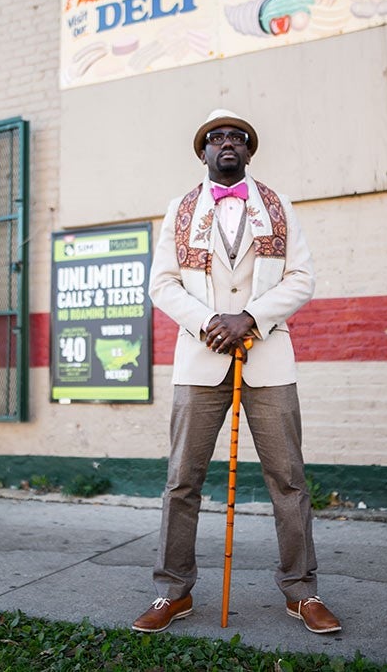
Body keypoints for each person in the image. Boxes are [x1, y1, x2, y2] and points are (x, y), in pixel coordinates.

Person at [133, 109, 341, 635]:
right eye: (216, 138)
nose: (227, 144)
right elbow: (161, 285)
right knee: (183, 479)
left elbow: (301, 278)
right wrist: (211, 322)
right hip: (199, 361)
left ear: (248, 151)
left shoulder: (278, 206)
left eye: (237, 138)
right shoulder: (179, 210)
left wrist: (249, 318)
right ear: (203, 152)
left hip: (268, 358)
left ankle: (302, 592)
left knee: (288, 479)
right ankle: (171, 592)